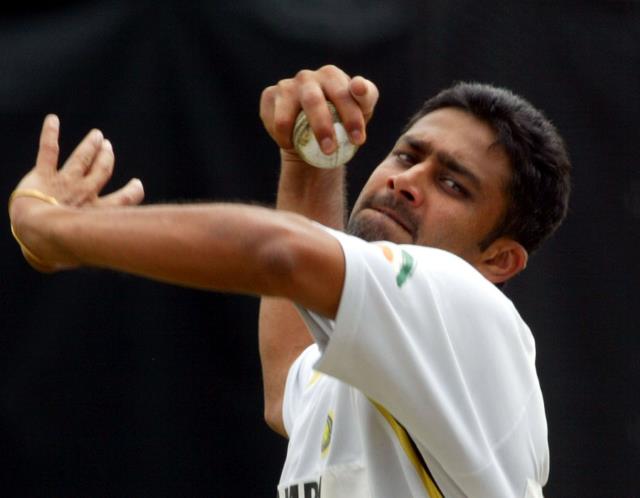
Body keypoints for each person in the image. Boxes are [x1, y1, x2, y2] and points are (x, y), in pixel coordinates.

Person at [8, 65, 570, 498]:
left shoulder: (462, 301)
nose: (406, 181)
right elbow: (288, 384)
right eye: (407, 155)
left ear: (499, 261)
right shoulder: (396, 361)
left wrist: (57, 229)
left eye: (453, 184)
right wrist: (310, 156)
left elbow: (278, 255)